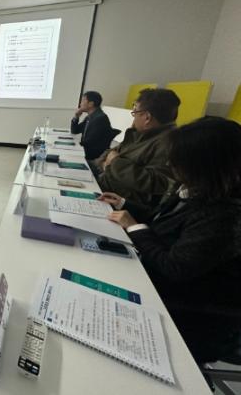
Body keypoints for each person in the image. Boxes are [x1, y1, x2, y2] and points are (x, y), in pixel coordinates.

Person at [101, 117, 241, 364]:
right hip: (160, 285)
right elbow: (165, 223)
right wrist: (124, 204)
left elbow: (174, 268)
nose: (169, 164)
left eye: (178, 160)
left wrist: (134, 227)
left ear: (204, 164)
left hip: (190, 313)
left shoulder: (224, 215)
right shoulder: (198, 189)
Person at [93, 88, 180, 205]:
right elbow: (111, 152)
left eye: (135, 113)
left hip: (118, 202)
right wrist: (106, 164)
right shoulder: (140, 133)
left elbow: (157, 184)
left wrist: (114, 162)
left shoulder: (169, 143)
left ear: (147, 118)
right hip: (103, 185)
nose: (133, 117)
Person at [70, 91, 114, 160]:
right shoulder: (91, 116)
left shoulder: (100, 118)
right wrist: (76, 116)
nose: (80, 104)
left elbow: (89, 143)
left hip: (93, 157)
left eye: (82, 101)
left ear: (91, 104)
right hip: (86, 152)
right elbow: (75, 130)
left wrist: (72, 146)